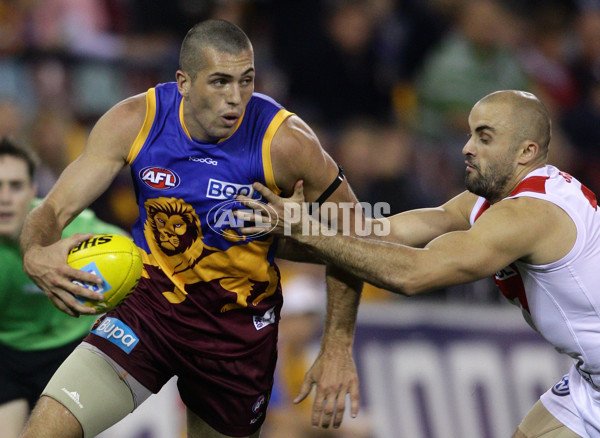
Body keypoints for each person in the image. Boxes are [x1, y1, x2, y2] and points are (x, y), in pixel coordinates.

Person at [18, 19, 362, 438]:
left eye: (246, 80)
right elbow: (52, 208)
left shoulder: (285, 141)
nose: (235, 99)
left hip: (235, 336)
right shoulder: (135, 121)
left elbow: (355, 229)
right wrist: (35, 253)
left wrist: (338, 346)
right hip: (148, 313)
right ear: (183, 82)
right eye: (219, 82)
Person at [239, 89, 600, 437]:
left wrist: (306, 231)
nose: (467, 148)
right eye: (471, 133)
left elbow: (413, 273)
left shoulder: (529, 214)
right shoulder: (500, 198)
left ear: (526, 152)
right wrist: (273, 232)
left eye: (484, 138)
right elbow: (372, 234)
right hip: (590, 383)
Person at [0, 137, 126, 438]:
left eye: (15, 186)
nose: (4, 197)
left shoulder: (78, 233)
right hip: (7, 358)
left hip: (71, 354)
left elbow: (136, 258)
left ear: (33, 192)